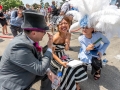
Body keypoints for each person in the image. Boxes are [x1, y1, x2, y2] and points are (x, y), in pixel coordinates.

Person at [0, 10, 58, 90]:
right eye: (43, 31)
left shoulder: (29, 38)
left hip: (23, 73)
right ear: (34, 33)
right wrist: (49, 48)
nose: (45, 34)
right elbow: (40, 69)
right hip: (13, 85)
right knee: (43, 69)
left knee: (50, 71)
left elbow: (39, 59)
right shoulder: (18, 46)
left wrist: (48, 72)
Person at [50, 15, 88, 90]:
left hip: (63, 55)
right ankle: (68, 86)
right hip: (54, 58)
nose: (63, 25)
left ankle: (76, 84)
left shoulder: (68, 34)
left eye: (65, 23)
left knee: (78, 65)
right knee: (67, 68)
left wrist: (67, 42)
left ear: (69, 24)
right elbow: (52, 53)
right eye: (61, 24)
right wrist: (61, 62)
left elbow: (66, 49)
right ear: (57, 26)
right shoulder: (55, 37)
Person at [78, 15, 110, 80]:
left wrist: (101, 51)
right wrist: (87, 48)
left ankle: (98, 71)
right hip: (86, 51)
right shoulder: (81, 38)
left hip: (97, 50)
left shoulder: (99, 35)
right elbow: (85, 50)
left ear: (92, 28)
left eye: (87, 27)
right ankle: (84, 70)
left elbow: (107, 42)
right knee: (84, 62)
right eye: (83, 27)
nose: (84, 29)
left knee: (96, 62)